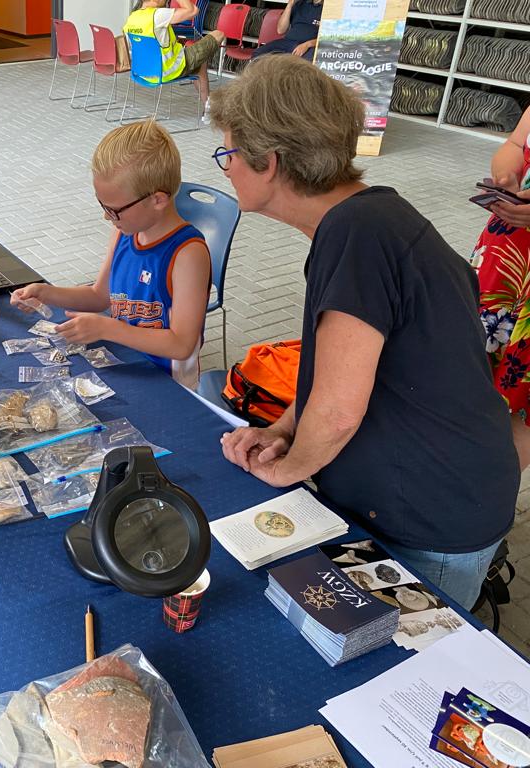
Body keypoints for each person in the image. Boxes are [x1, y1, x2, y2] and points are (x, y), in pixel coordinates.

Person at [210, 56, 518, 610]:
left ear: (270, 163)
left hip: (432, 512)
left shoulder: (357, 235)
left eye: (229, 154)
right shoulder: (362, 220)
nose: (226, 168)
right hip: (438, 486)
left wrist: (288, 469)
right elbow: (333, 377)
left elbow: (338, 411)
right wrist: (284, 428)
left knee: (402, 672)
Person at [11, 121, 212, 390]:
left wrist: (107, 328)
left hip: (168, 384)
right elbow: (99, 295)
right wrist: (47, 293)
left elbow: (182, 344)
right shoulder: (124, 234)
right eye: (102, 205)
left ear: (158, 200)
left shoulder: (188, 254)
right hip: (124, 362)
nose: (106, 216)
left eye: (114, 209)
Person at [470, 106, 530, 470]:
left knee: (523, 394)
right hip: (507, 255)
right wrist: (506, 174)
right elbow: (513, 143)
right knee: (475, 361)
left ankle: (489, 498)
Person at [123, 0, 227, 123]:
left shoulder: (132, 17)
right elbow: (193, 11)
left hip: (144, 73)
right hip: (169, 69)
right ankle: (208, 109)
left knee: (200, 63)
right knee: (219, 34)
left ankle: (208, 107)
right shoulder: (158, 15)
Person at [252, 0, 323, 61]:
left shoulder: (328, 8)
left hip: (309, 46)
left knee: (306, 61)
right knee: (258, 54)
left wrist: (308, 44)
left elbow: (329, 38)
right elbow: (280, 30)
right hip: (287, 42)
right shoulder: (300, 3)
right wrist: (290, 4)